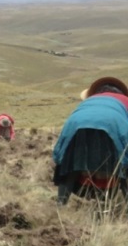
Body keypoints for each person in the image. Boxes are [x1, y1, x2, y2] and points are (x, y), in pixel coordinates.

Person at [52, 76, 128, 205]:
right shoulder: (125, 101)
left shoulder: (88, 102)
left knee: (70, 166)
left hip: (77, 126)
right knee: (123, 168)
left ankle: (61, 206)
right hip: (113, 126)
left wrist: (60, 157)